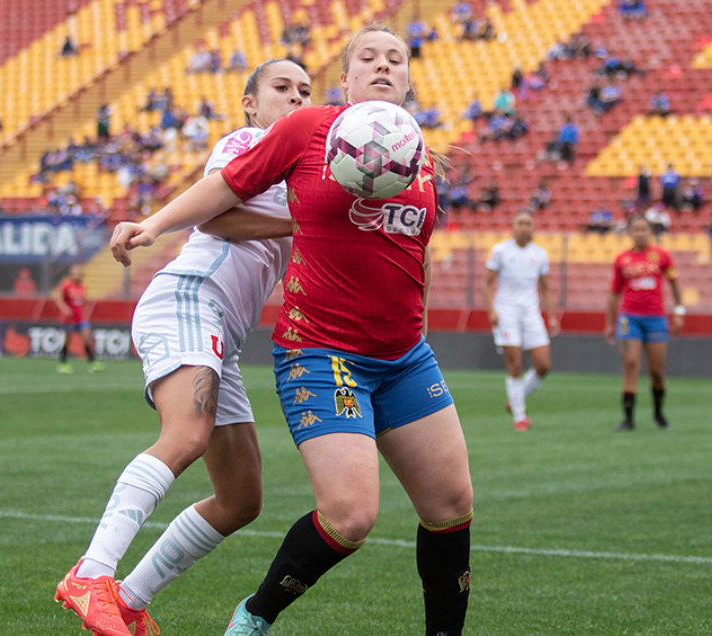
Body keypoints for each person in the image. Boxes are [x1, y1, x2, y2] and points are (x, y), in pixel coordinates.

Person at [108, 25, 473, 636]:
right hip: (323, 352)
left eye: (396, 59)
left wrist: (421, 333)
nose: (383, 66)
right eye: (368, 58)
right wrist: (155, 223)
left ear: (408, 80)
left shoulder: (418, 157)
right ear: (347, 78)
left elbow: (419, 255)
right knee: (351, 516)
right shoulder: (308, 131)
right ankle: (255, 615)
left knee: (451, 507)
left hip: (405, 357)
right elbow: (226, 188)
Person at [55, 59, 312, 636]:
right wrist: (300, 225)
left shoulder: (305, 177)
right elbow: (219, 220)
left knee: (241, 496)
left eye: (305, 92)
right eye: (281, 88)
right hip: (189, 299)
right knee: (185, 436)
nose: (295, 98)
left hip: (222, 333)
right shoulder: (246, 143)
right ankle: (90, 573)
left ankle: (128, 598)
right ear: (250, 103)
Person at [604, 216, 684, 431]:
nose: (640, 233)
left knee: (657, 371)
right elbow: (614, 293)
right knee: (631, 363)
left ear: (650, 232)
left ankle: (658, 412)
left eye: (643, 229)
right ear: (629, 232)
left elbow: (675, 284)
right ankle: (628, 419)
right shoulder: (622, 259)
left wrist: (679, 311)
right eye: (636, 229)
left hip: (656, 319)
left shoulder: (662, 256)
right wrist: (609, 323)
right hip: (628, 318)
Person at [484, 211, 559, 431]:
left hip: (531, 312)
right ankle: (520, 416)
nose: (524, 227)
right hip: (506, 311)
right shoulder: (500, 251)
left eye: (528, 223)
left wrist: (552, 316)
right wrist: (491, 310)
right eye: (521, 223)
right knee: (515, 363)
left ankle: (515, 399)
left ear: (533, 227)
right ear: (513, 226)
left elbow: (545, 288)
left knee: (544, 365)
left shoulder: (540, 254)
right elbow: (487, 284)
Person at [53, 264, 103, 374]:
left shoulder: (82, 286)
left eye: (79, 274)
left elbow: (83, 301)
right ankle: (63, 363)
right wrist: (65, 309)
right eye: (75, 273)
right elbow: (59, 300)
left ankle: (92, 363)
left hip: (80, 318)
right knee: (68, 340)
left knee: (87, 338)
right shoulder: (66, 286)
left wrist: (82, 312)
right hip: (68, 319)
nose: (77, 276)